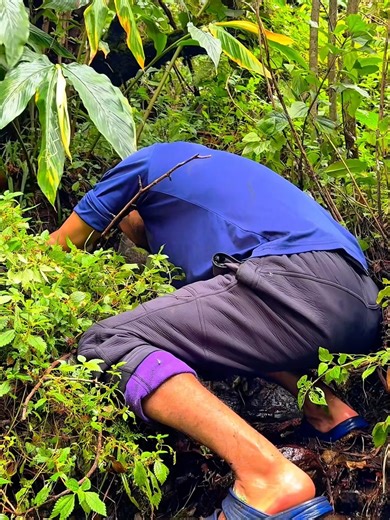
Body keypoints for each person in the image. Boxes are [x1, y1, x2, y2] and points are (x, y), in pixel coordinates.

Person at [50, 142, 381, 519]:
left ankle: (266, 477)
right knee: (216, 328)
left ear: (129, 206)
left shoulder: (145, 163)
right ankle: (330, 413)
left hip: (294, 282)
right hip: (360, 302)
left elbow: (61, 246)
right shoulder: (226, 178)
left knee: (105, 342)